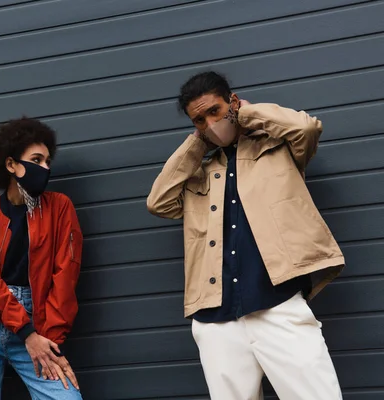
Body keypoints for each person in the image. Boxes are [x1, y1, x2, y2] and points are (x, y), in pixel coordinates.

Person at [147, 71, 345, 399]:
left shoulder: (279, 148)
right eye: (199, 119)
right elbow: (159, 201)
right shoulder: (200, 174)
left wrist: (245, 115)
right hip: (216, 319)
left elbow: (308, 128)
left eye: (214, 111)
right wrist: (198, 141)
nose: (210, 122)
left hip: (277, 302)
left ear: (232, 101)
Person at [0, 117, 84, 400]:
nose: (45, 168)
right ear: (11, 165)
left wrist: (47, 341)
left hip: (39, 323)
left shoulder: (59, 208)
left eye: (48, 161)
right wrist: (27, 334)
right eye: (36, 159)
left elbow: (65, 279)